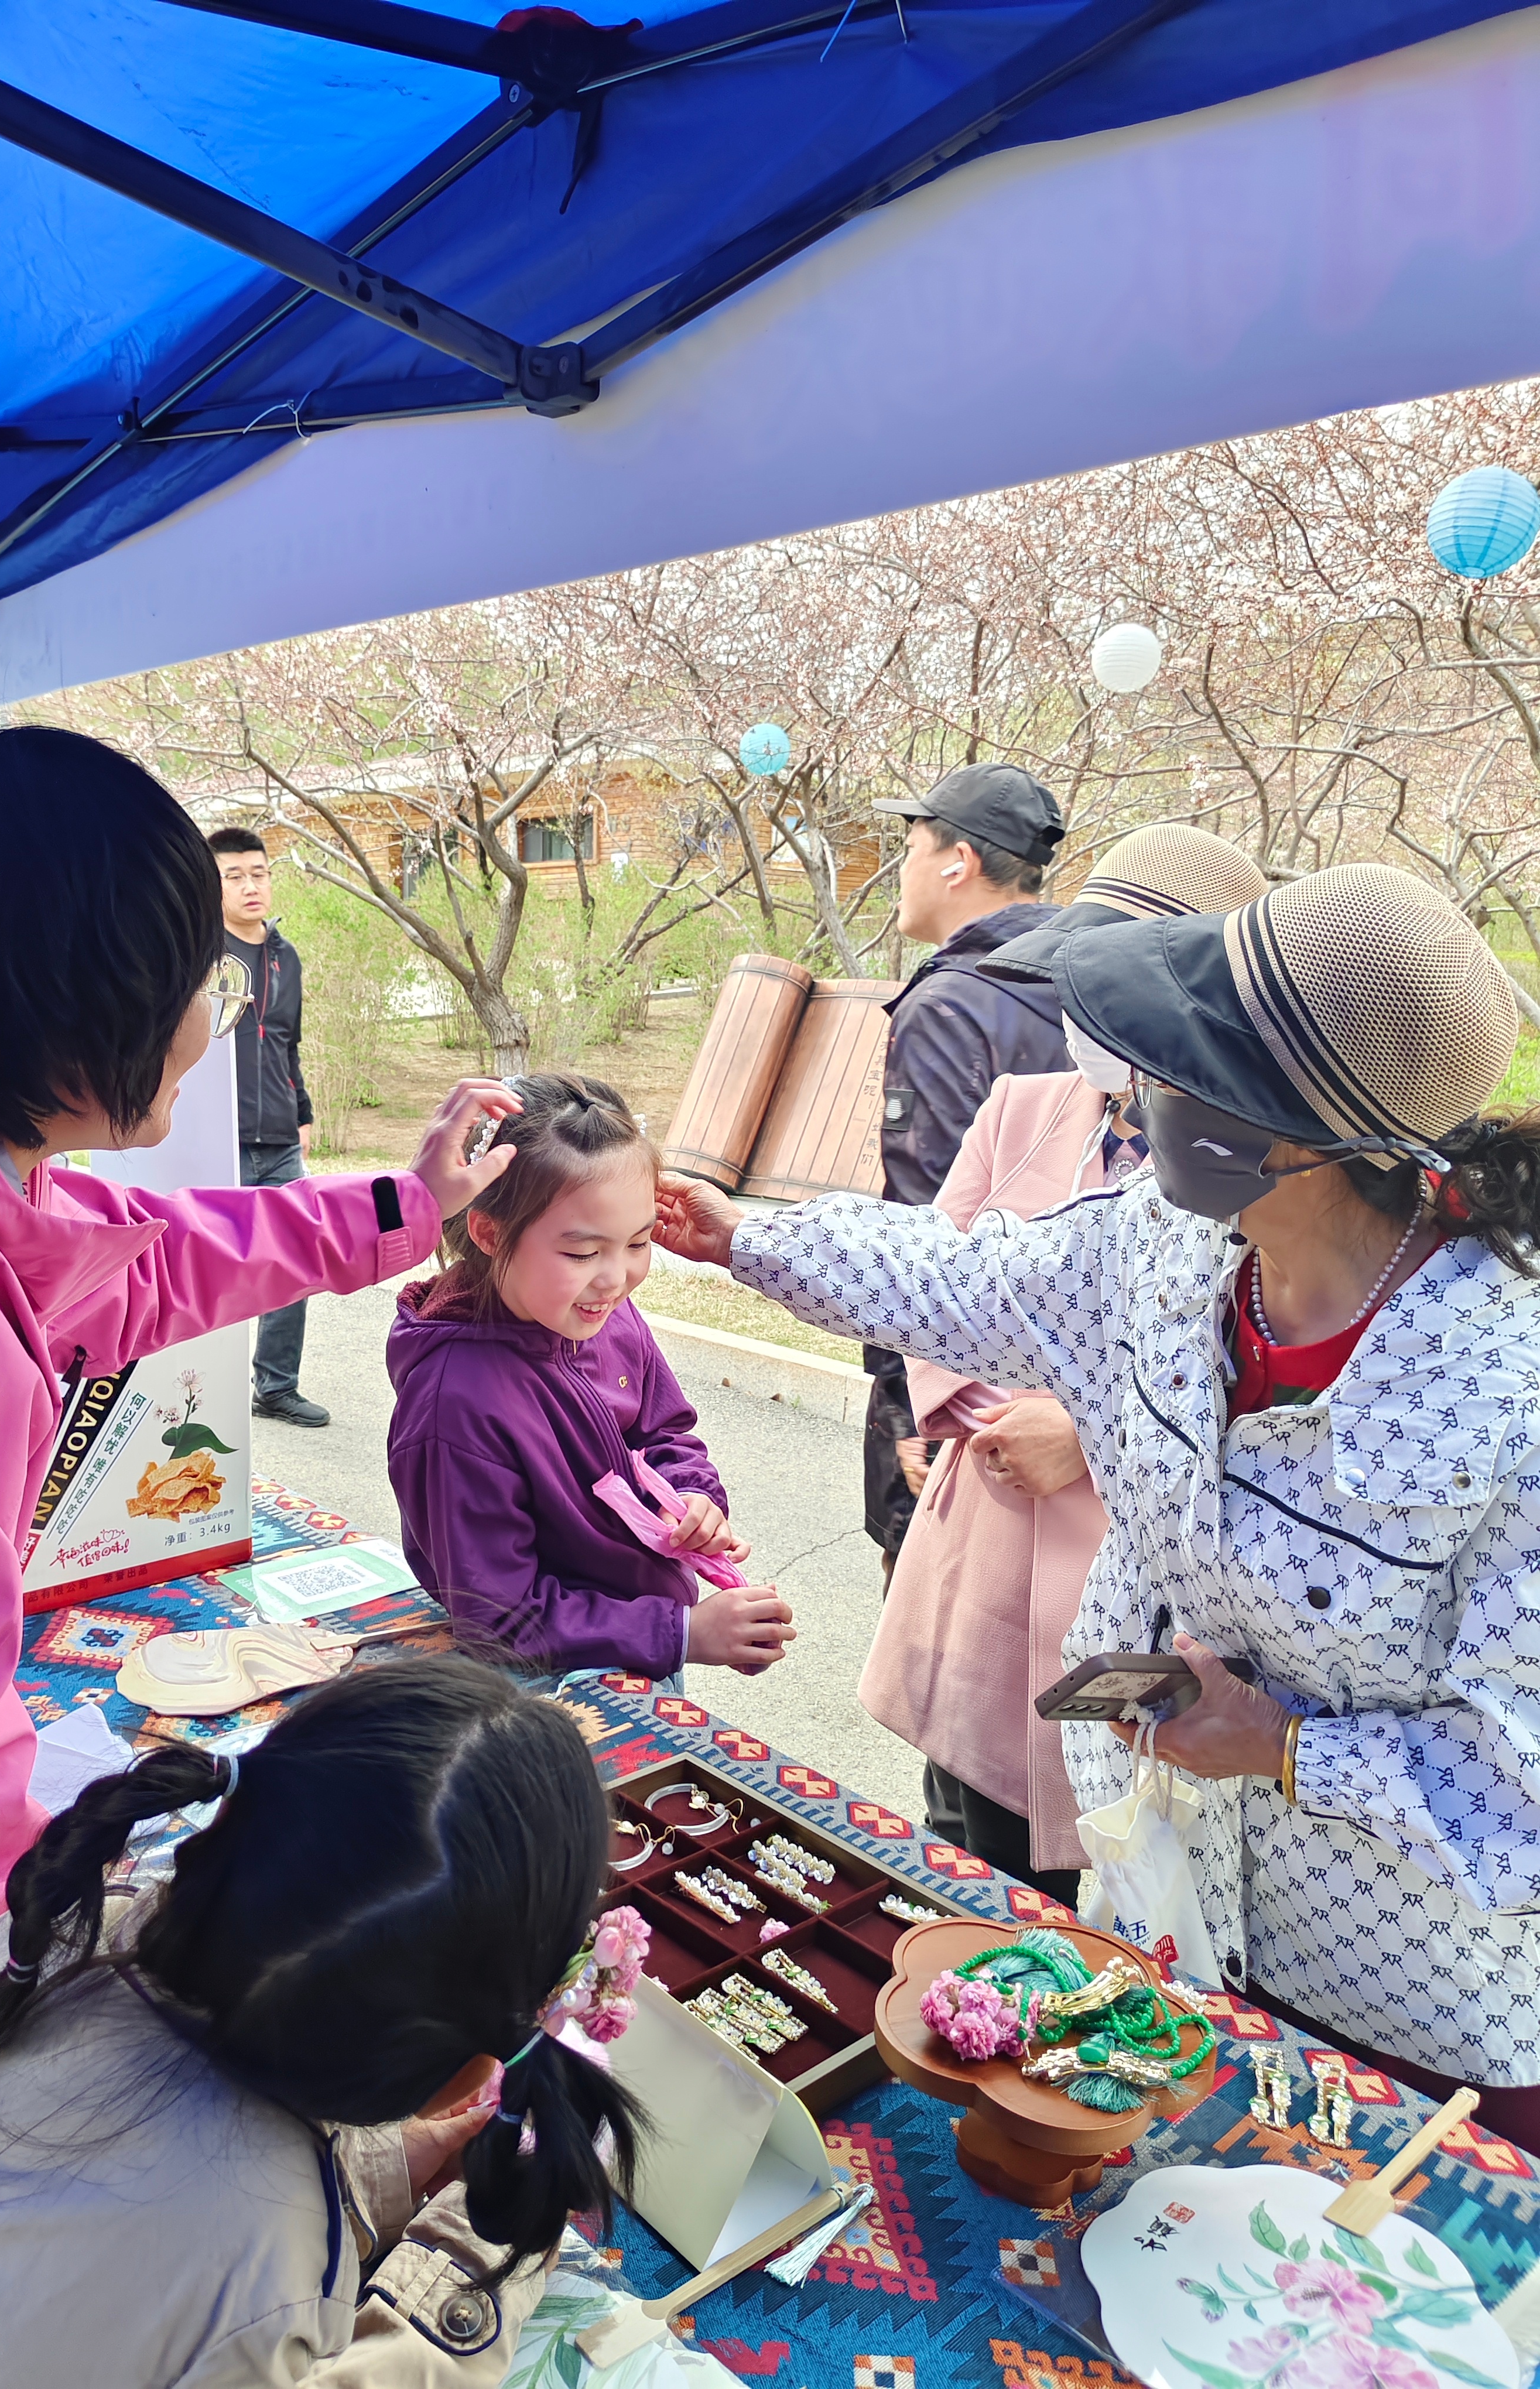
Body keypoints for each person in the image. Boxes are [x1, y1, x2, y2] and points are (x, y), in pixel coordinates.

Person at [656, 862, 1540, 2147]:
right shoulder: (1162, 1247)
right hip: (1174, 1900)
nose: (1138, 1090)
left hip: (1403, 1995)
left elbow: (1523, 1789)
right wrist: (740, 1236)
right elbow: (965, 1277)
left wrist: (1285, 1747)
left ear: (1295, 1143)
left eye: (1180, 1067)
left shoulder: (1509, 1395)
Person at [0, 726, 519, 2103]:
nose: (209, 1014)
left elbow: (131, 1260)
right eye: (196, 974)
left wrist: (405, 1206)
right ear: (75, 985)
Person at [0, 1657, 641, 2388]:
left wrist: (368, 2175)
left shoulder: (58, 1942)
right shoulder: (267, 2280)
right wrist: (464, 2275)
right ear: (470, 2065)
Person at [860, 827, 1267, 1895]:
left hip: (1136, 1577)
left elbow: (1259, 1373)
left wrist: (1082, 1430)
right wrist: (1004, 1419)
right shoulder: (1025, 1108)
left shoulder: (1253, 1164)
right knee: (966, 1834)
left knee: (1136, 1853)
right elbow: (939, 1285)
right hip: (989, 1539)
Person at [388, 1072, 794, 1681]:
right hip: (545, 1682)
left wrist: (692, 1497)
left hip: (644, 1640)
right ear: (490, 1233)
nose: (615, 1278)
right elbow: (501, 1618)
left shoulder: (599, 1312)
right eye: (582, 1253)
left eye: (638, 1243)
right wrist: (685, 1633)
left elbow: (665, 1430)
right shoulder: (455, 1402)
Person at [862, 761, 1071, 1600]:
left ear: (959, 861)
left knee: (942, 1624)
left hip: (968, 1386)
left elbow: (929, 1224)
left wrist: (912, 1406)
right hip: (1072, 1380)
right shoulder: (1087, 979)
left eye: (912, 845)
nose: (901, 868)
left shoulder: (952, 1004)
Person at [209, 824, 330, 1428]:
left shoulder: (286, 957)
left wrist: (301, 1113)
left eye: (258, 873)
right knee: (215, 1266)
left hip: (280, 1138)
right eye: (234, 876)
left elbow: (287, 1043)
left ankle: (276, 1387)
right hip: (219, 1137)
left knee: (295, 1257)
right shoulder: (198, 957)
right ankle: (207, 1389)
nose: (250, 886)